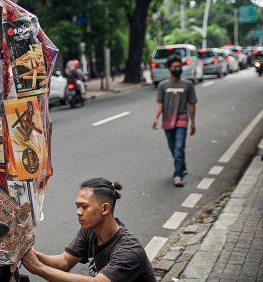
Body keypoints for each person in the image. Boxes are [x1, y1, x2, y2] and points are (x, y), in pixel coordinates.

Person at [22, 178, 156, 282]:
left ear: (105, 209)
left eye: (84, 207)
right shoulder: (90, 231)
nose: (79, 212)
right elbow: (64, 262)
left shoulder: (128, 251)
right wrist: (33, 254)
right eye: (77, 207)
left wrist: (38, 268)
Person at [152, 54, 197, 187]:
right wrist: (156, 118)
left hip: (182, 120)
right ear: (169, 69)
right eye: (174, 67)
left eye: (179, 66)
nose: (177, 68)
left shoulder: (188, 84)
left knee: (179, 147)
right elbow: (159, 103)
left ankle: (178, 175)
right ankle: (182, 165)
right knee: (173, 148)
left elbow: (192, 104)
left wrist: (193, 122)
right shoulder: (163, 85)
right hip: (167, 122)